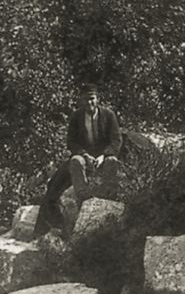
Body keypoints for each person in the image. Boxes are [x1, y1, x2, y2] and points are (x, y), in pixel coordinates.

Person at [38, 84, 122, 233]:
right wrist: (84, 154)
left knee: (112, 162)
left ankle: (109, 198)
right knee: (74, 163)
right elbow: (71, 141)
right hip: (84, 155)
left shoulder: (109, 115)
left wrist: (104, 155)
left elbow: (116, 140)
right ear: (81, 101)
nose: (89, 103)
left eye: (92, 99)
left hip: (103, 156)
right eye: (85, 100)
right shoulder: (76, 117)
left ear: (97, 99)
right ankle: (83, 198)